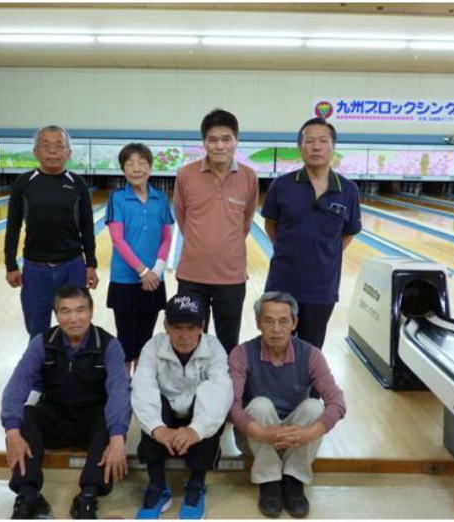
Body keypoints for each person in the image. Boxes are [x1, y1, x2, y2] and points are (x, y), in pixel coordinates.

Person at [1, 286, 130, 519]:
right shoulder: (42, 343)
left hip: (92, 420)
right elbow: (16, 386)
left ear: (91, 312)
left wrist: (118, 436)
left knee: (111, 424)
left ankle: (88, 496)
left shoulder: (109, 345)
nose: (74, 319)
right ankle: (28, 495)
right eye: (65, 311)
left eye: (80, 310)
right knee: (24, 418)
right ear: (56, 314)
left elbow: (119, 392)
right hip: (54, 415)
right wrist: (11, 430)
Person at [228, 292, 346, 518]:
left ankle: (294, 479)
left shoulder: (311, 354)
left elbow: (337, 403)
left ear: (295, 323)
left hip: (296, 438)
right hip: (255, 437)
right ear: (258, 323)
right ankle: (269, 481)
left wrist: (308, 434)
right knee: (260, 405)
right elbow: (230, 404)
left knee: (314, 407)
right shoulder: (241, 354)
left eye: (283, 321)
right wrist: (259, 432)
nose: (276, 329)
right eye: (269, 321)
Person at [261, 117, 361, 351]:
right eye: (310, 141)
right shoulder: (281, 185)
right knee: (274, 348)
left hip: (321, 289)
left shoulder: (348, 190)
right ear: (300, 147)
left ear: (333, 147)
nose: (316, 147)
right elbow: (270, 224)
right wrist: (290, 250)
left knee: (310, 352)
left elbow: (349, 232)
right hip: (281, 284)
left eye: (323, 141)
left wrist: (324, 253)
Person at [131, 294, 233, 519]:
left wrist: (196, 430)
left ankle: (197, 483)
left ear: (202, 326)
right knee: (152, 407)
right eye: (177, 327)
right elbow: (142, 386)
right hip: (165, 413)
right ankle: (157, 485)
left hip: (197, 413)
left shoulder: (214, 348)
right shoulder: (153, 346)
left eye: (191, 327)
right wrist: (157, 428)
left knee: (210, 406)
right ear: (166, 326)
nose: (184, 335)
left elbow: (220, 391)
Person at [173, 108, 259, 354]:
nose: (220, 145)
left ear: (236, 140)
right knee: (189, 343)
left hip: (231, 278)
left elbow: (246, 222)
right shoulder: (186, 175)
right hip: (191, 276)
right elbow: (182, 217)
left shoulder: (249, 177)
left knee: (228, 343)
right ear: (204, 142)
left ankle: (225, 380)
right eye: (213, 139)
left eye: (226, 139)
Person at [4, 125, 98, 337]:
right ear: (36, 152)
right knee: (37, 333)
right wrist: (10, 264)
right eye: (46, 146)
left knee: (76, 329)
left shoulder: (77, 183)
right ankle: (42, 360)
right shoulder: (23, 183)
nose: (53, 151)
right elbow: (13, 227)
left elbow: (87, 227)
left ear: (69, 152)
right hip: (35, 269)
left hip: (72, 266)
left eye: (59, 146)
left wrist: (91, 264)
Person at [105, 143, 174, 370]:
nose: (136, 168)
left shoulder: (161, 198)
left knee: (146, 339)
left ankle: (142, 383)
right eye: (130, 164)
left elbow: (167, 238)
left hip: (154, 279)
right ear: (123, 169)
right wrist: (143, 271)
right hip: (125, 279)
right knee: (126, 338)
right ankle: (124, 383)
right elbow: (118, 240)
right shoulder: (117, 198)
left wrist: (157, 271)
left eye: (142, 163)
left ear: (150, 167)